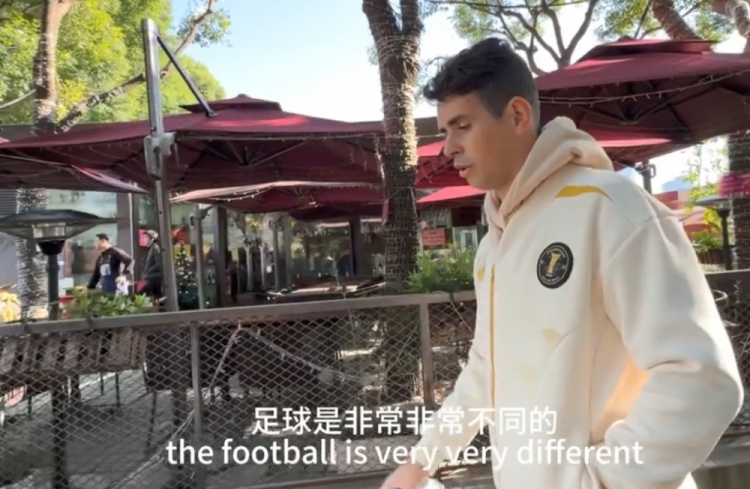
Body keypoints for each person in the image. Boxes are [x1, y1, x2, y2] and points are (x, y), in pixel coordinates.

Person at [380, 38, 743, 489]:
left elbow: (700, 378)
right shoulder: (493, 246)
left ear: (517, 115)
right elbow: (484, 370)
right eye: (444, 130)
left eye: (462, 126)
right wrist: (421, 460)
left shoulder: (611, 207)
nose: (448, 147)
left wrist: (600, 480)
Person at [140, 230, 163, 299]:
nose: (145, 239)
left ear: (152, 239)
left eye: (147, 237)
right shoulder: (151, 249)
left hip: (154, 278)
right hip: (150, 278)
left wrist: (148, 272)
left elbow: (158, 263)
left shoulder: (155, 248)